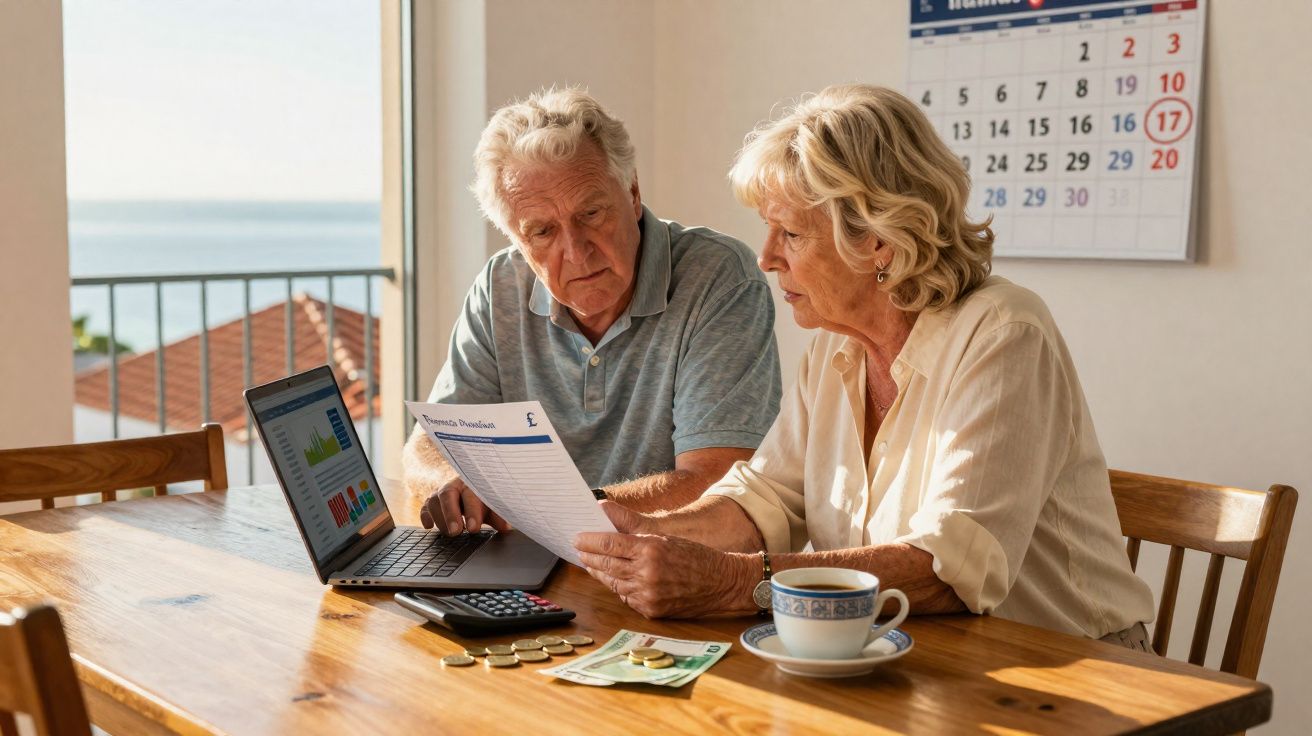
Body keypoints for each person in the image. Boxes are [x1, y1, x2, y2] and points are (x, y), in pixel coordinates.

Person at [574, 84, 1155, 648]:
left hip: (1068, 668)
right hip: (920, 654)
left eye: (792, 233)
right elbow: (767, 498)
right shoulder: (837, 344)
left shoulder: (1004, 333)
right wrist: (649, 533)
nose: (767, 256)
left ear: (878, 239)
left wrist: (730, 582)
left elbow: (948, 567)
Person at [403, 88, 782, 536]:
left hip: (659, 565)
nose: (577, 252)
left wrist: (540, 511)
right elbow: (428, 446)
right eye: (542, 231)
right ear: (515, 239)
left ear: (633, 192)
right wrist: (451, 483)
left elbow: (716, 482)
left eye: (592, 213)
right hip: (525, 558)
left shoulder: (719, 277)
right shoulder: (498, 286)